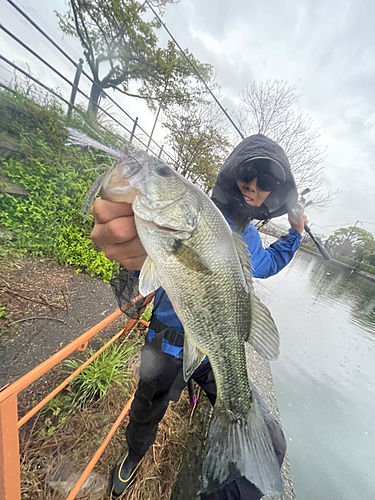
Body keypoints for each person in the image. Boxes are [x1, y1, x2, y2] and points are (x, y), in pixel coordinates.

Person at [90, 134, 307, 499]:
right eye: (248, 174)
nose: (253, 187)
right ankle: (134, 455)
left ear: (273, 193)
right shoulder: (193, 212)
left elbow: (266, 265)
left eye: (265, 182)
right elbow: (140, 262)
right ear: (232, 174)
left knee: (271, 441)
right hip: (165, 346)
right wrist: (128, 245)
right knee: (146, 411)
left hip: (211, 353)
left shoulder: (250, 237)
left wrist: (295, 236)